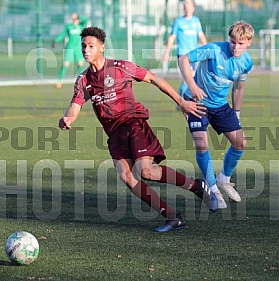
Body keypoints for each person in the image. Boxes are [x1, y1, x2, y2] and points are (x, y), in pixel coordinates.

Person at [59, 27, 218, 233]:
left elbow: (153, 78)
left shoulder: (120, 67)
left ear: (102, 48)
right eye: (83, 46)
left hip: (134, 125)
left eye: (91, 46)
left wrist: (181, 101)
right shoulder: (83, 80)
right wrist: (67, 118)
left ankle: (196, 186)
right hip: (115, 135)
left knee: (145, 171)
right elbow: (75, 105)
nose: (86, 50)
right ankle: (172, 217)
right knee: (127, 177)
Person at [178, 21, 254, 208]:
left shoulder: (246, 62)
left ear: (249, 43)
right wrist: (193, 86)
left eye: (241, 43)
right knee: (202, 145)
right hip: (197, 104)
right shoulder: (213, 50)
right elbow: (183, 60)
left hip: (220, 106)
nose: (236, 47)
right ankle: (213, 190)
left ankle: (223, 180)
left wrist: (236, 112)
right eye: (233, 42)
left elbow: (238, 88)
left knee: (240, 142)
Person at [163, 0, 207, 102]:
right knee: (189, 78)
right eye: (185, 7)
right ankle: (183, 101)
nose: (187, 9)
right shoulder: (178, 22)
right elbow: (171, 37)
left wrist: (208, 49)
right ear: (183, 9)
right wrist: (166, 52)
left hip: (194, 55)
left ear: (193, 8)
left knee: (189, 78)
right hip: (183, 55)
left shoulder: (196, 21)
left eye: (189, 7)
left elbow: (201, 35)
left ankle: (181, 101)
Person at [52, 12, 88, 89]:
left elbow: (86, 19)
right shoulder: (69, 26)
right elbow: (62, 34)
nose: (75, 20)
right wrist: (56, 40)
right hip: (70, 47)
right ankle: (59, 81)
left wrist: (78, 15)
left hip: (78, 48)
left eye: (76, 18)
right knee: (66, 64)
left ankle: (82, 82)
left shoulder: (81, 26)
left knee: (80, 64)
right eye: (74, 19)